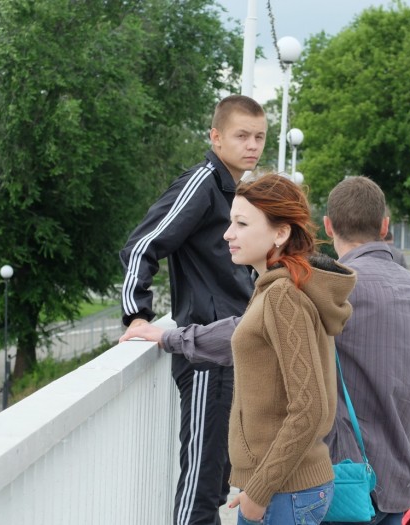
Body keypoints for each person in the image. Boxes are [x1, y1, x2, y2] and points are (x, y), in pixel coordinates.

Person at [122, 174, 357, 525]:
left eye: (241, 224)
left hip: (282, 493)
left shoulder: (283, 297)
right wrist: (167, 337)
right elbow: (236, 335)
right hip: (281, 488)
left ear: (280, 234)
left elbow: (309, 408)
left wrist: (259, 493)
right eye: (231, 221)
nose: (227, 234)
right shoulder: (274, 288)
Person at [119, 95, 267, 525]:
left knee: (220, 483)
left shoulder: (234, 191)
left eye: (259, 136)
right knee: (200, 491)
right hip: (205, 357)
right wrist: (136, 315)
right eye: (242, 136)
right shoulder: (202, 182)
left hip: (232, 350)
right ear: (216, 137)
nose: (252, 145)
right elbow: (143, 245)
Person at [322, 177, 410, 524]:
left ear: (328, 225)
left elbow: (251, 332)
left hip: (338, 484)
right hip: (396, 485)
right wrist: (408, 455)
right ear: (384, 226)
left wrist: (178, 338)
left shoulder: (330, 289)